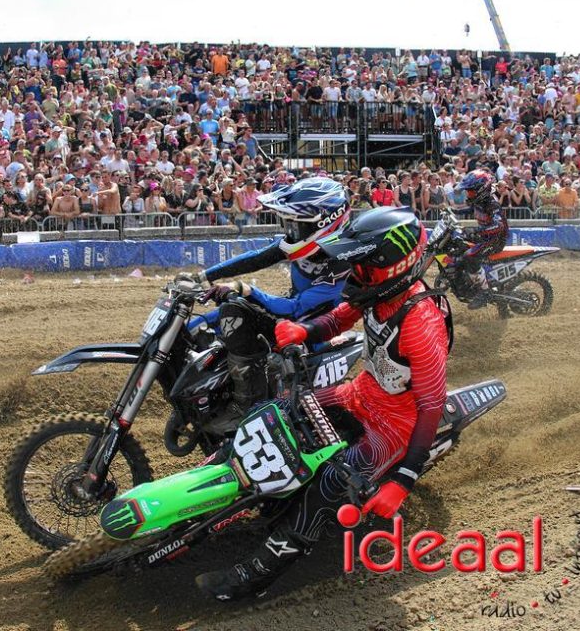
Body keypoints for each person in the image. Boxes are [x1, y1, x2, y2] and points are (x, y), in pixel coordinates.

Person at [197, 207, 452, 601]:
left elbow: (432, 405)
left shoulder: (421, 322)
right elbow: (337, 320)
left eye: (361, 267)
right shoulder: (379, 293)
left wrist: (403, 481)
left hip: (393, 427)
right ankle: (208, 485)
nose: (352, 274)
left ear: (389, 267)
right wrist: (303, 330)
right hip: (360, 394)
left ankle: (255, 576)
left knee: (330, 484)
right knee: (277, 412)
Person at [185, 177, 352, 403]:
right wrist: (204, 276)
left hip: (308, 334)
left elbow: (296, 308)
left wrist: (246, 289)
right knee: (214, 316)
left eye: (296, 225)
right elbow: (256, 258)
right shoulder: (299, 243)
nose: (290, 231)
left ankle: (249, 401)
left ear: (324, 223)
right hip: (288, 317)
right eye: (288, 223)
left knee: (238, 317)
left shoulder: (343, 264)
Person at [449, 170, 508, 309]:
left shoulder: (492, 204)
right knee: (459, 248)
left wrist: (476, 231)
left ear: (481, 190)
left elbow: (499, 225)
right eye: (467, 192)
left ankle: (485, 292)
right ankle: (466, 283)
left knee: (470, 256)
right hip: (484, 238)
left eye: (470, 192)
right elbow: (471, 209)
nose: (468, 194)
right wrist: (453, 211)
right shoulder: (479, 201)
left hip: (495, 240)